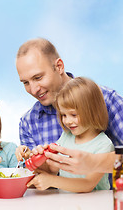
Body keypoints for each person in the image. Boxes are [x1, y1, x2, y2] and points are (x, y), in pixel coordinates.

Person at [15, 38, 123, 174]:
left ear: (59, 66)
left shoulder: (107, 100)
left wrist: (94, 162)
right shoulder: (28, 123)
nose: (33, 89)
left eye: (38, 78)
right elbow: (37, 179)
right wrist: (32, 161)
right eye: (25, 82)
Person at [26, 77, 114, 192]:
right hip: (66, 203)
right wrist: (40, 160)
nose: (67, 121)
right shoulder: (66, 136)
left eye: (73, 115)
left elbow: (87, 184)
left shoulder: (103, 144)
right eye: (63, 115)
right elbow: (53, 168)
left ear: (92, 111)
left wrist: (51, 181)